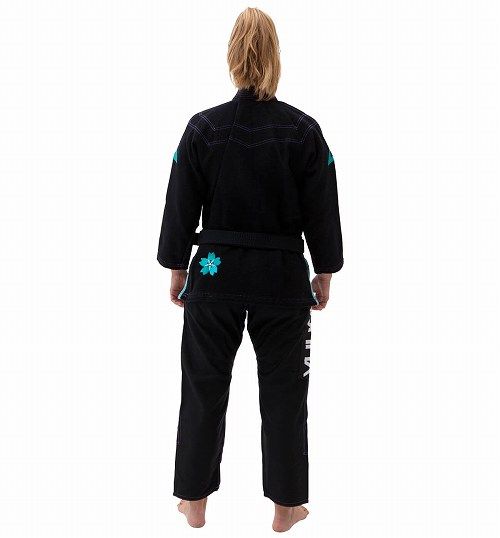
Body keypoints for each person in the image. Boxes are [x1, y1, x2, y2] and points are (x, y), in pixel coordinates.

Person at [157, 7, 343, 532]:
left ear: (232, 57)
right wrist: (324, 270)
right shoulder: (303, 131)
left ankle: (194, 501)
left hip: (214, 275)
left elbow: (179, 203)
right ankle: (287, 507)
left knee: (202, 388)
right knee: (285, 396)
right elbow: (322, 207)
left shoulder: (203, 129)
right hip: (281, 279)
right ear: (276, 57)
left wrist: (177, 267)